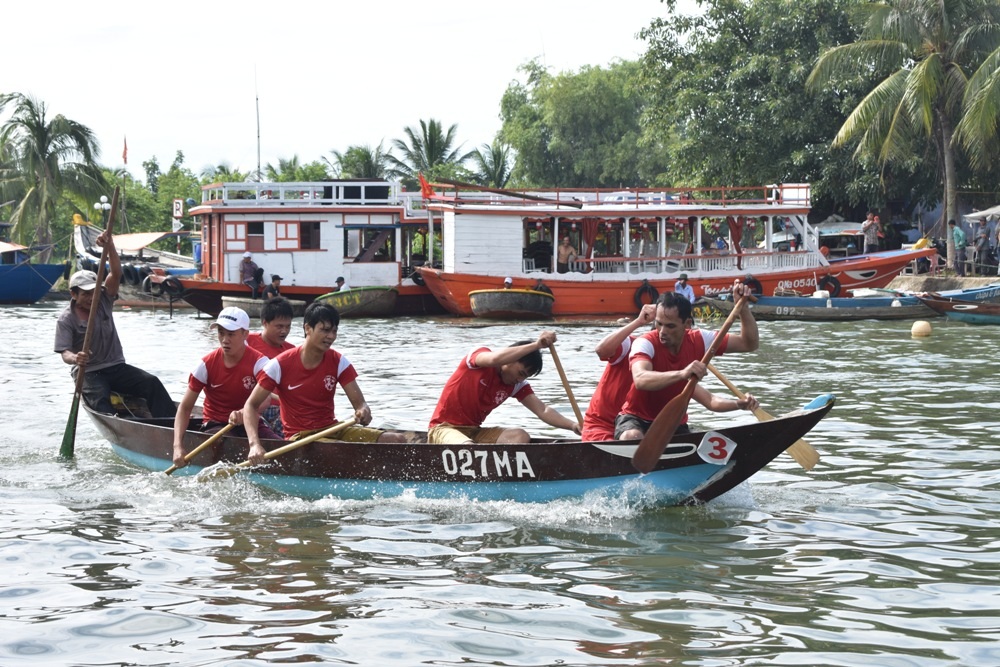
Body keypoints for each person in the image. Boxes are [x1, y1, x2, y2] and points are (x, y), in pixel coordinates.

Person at [242, 301, 399, 465]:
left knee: (397, 440)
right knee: (343, 450)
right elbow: (251, 406)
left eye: (334, 331)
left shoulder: (338, 361)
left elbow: (360, 405)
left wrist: (363, 412)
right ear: (307, 329)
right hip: (301, 437)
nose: (331, 336)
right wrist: (254, 445)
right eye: (325, 330)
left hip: (333, 429)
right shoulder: (279, 365)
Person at [582, 304, 759, 441]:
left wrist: (739, 404)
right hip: (605, 425)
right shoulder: (634, 345)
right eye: (659, 325)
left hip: (652, 429)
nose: (664, 334)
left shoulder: (677, 363)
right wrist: (638, 322)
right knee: (632, 437)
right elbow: (602, 350)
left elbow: (709, 400)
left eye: (671, 327)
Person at [54, 232, 175, 419]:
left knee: (152, 383)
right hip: (89, 372)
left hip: (116, 366)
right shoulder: (66, 319)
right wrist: (76, 358)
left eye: (93, 292)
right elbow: (64, 353)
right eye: (85, 294)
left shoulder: (103, 300)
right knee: (102, 403)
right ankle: (119, 428)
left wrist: (109, 246)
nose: (91, 298)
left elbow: (116, 274)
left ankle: (171, 425)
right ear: (74, 294)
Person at [428, 332, 582, 445]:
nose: (520, 379)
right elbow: (495, 358)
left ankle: (505, 479)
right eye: (520, 373)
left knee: (519, 436)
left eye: (525, 377)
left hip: (474, 432)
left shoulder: (516, 386)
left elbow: (543, 410)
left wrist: (573, 425)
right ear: (510, 360)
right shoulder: (478, 359)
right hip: (443, 429)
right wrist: (536, 345)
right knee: (468, 448)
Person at [171, 307, 277, 468]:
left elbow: (266, 399)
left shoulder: (260, 363)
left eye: (231, 334)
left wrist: (243, 413)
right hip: (217, 425)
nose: (225, 339)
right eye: (221, 333)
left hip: (252, 422)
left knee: (279, 447)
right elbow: (185, 408)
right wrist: (177, 447)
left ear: (245, 334)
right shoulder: (205, 365)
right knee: (225, 446)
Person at [247, 297, 296, 437]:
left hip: (281, 409)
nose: (284, 331)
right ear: (265, 323)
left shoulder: (292, 352)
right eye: (279, 326)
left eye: (288, 326)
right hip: (252, 407)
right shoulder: (246, 341)